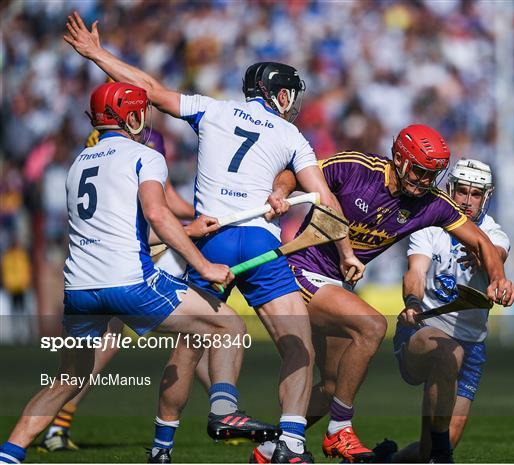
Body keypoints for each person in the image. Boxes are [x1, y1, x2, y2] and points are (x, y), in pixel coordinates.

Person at [64, 11, 363, 463]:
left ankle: (167, 445)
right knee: (297, 346)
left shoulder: (213, 109)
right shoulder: (293, 135)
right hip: (260, 243)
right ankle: (291, 445)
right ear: (279, 94)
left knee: (190, 344)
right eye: (291, 94)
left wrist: (96, 53)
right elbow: (324, 199)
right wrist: (345, 252)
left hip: (211, 237)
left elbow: (145, 88)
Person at [0, 82, 278, 465]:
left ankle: (8, 455)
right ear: (130, 117)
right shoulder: (144, 155)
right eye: (142, 114)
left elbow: (113, 227)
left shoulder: (78, 163)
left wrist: (190, 231)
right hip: (130, 282)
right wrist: (204, 265)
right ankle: (223, 411)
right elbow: (157, 213)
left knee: (67, 379)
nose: (145, 121)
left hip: (79, 289)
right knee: (228, 326)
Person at [248, 125, 514, 464]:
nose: (424, 181)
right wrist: (278, 192)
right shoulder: (357, 168)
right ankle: (339, 430)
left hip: (335, 284)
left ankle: (272, 447)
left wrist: (498, 278)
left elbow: (480, 242)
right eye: (419, 171)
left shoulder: (431, 204)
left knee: (332, 386)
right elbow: (295, 173)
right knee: (372, 325)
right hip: (299, 269)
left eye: (433, 175)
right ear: (401, 161)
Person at [38, 127, 195, 453]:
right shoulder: (143, 148)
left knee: (192, 336)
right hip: (127, 266)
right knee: (200, 329)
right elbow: (166, 206)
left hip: (99, 264)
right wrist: (203, 219)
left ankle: (50, 428)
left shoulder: (95, 150)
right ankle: (56, 425)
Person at [374, 159, 510, 463]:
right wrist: (411, 303)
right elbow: (416, 272)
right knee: (449, 354)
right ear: (450, 189)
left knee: (427, 452)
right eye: (462, 191)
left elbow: (496, 253)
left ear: (487, 196)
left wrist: (492, 267)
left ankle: (381, 459)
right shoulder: (428, 222)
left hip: (471, 343)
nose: (467, 201)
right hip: (422, 332)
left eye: (476, 194)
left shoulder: (494, 234)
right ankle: (443, 456)